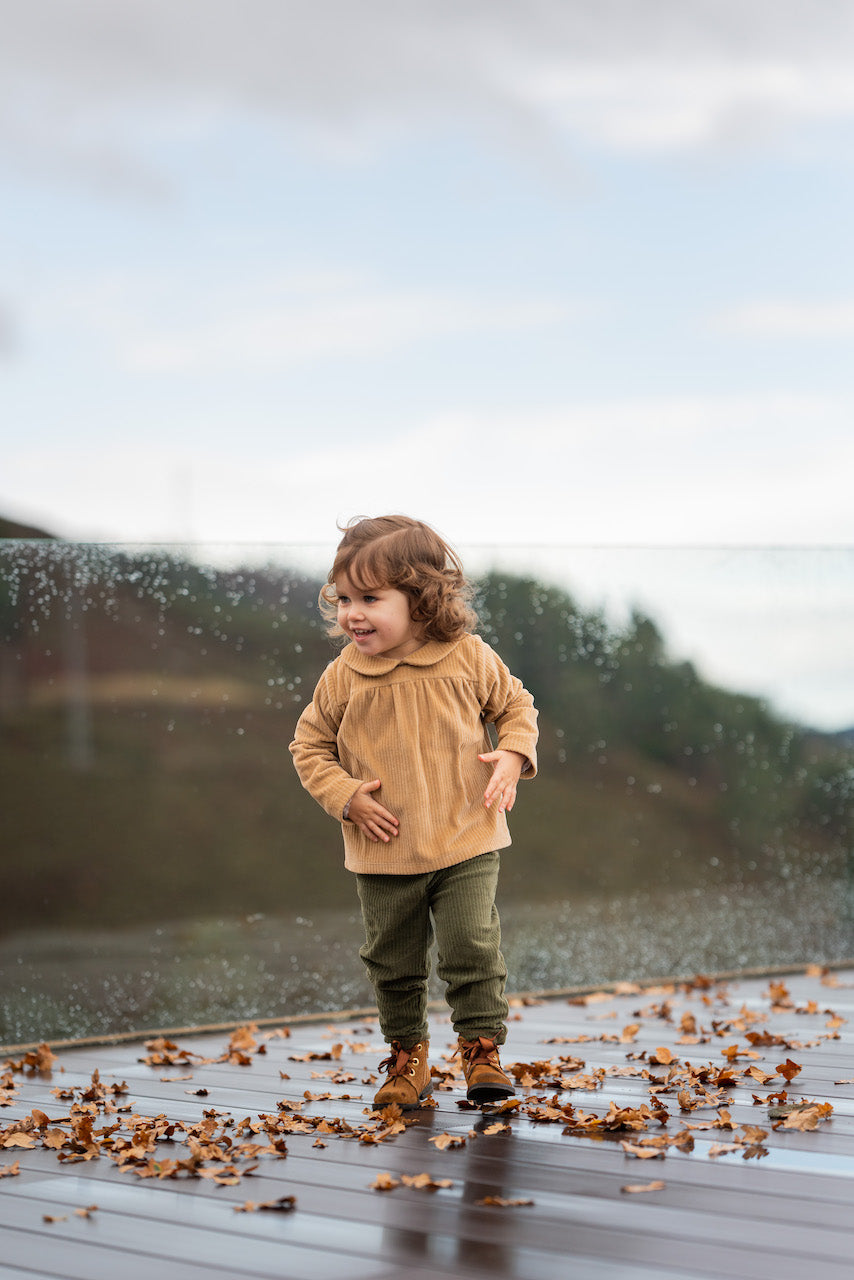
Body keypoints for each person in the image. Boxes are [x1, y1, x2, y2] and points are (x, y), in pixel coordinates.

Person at [289, 515, 538, 1109]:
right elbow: (308, 746)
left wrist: (511, 754)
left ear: (421, 599)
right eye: (344, 598)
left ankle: (482, 1052)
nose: (353, 613)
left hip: (466, 837)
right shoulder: (343, 676)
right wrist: (346, 795)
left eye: (370, 598)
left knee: (470, 946)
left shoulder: (468, 656)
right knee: (393, 961)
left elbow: (517, 707)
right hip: (384, 850)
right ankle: (408, 1060)